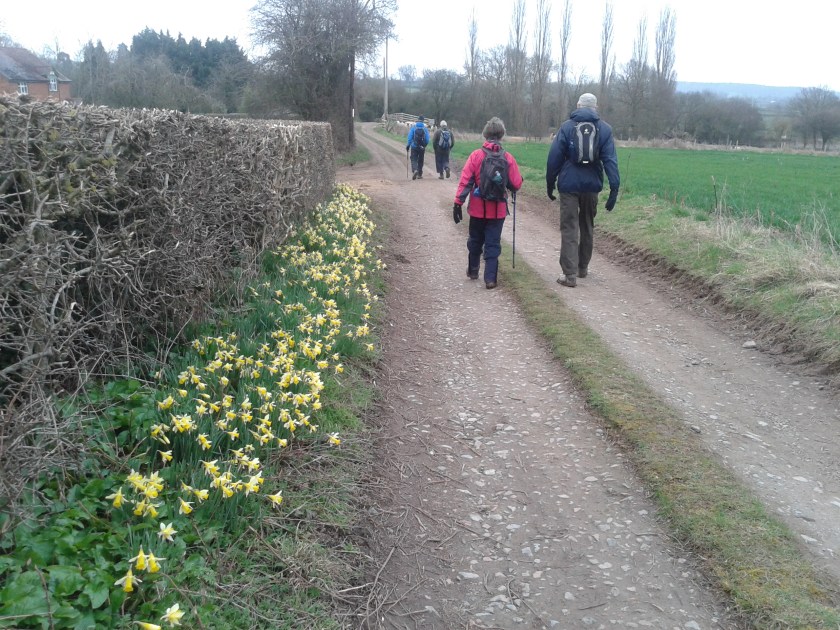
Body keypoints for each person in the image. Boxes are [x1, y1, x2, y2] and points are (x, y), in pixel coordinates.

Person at [545, 92, 620, 287]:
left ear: (578, 105)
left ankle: (569, 275)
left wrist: (550, 182)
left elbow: (554, 158)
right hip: (591, 186)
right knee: (587, 224)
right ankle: (582, 268)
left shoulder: (567, 127)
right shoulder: (604, 129)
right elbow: (610, 160)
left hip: (569, 184)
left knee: (569, 227)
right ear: (595, 108)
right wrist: (614, 187)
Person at [452, 117, 523, 290]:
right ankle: (490, 279)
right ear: (502, 135)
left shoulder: (476, 156)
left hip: (477, 208)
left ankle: (473, 270)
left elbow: (466, 181)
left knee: (475, 239)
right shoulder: (508, 157)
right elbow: (515, 184)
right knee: (493, 242)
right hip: (497, 210)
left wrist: (458, 202)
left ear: (485, 134)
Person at [406, 115, 430, 180]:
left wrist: (408, 145)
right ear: (423, 120)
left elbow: (410, 137)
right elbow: (427, 139)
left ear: (418, 120)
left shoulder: (413, 127)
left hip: (414, 146)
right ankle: (419, 174)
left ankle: (415, 170)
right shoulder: (425, 129)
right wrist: (424, 145)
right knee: (421, 160)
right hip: (422, 147)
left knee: (413, 159)